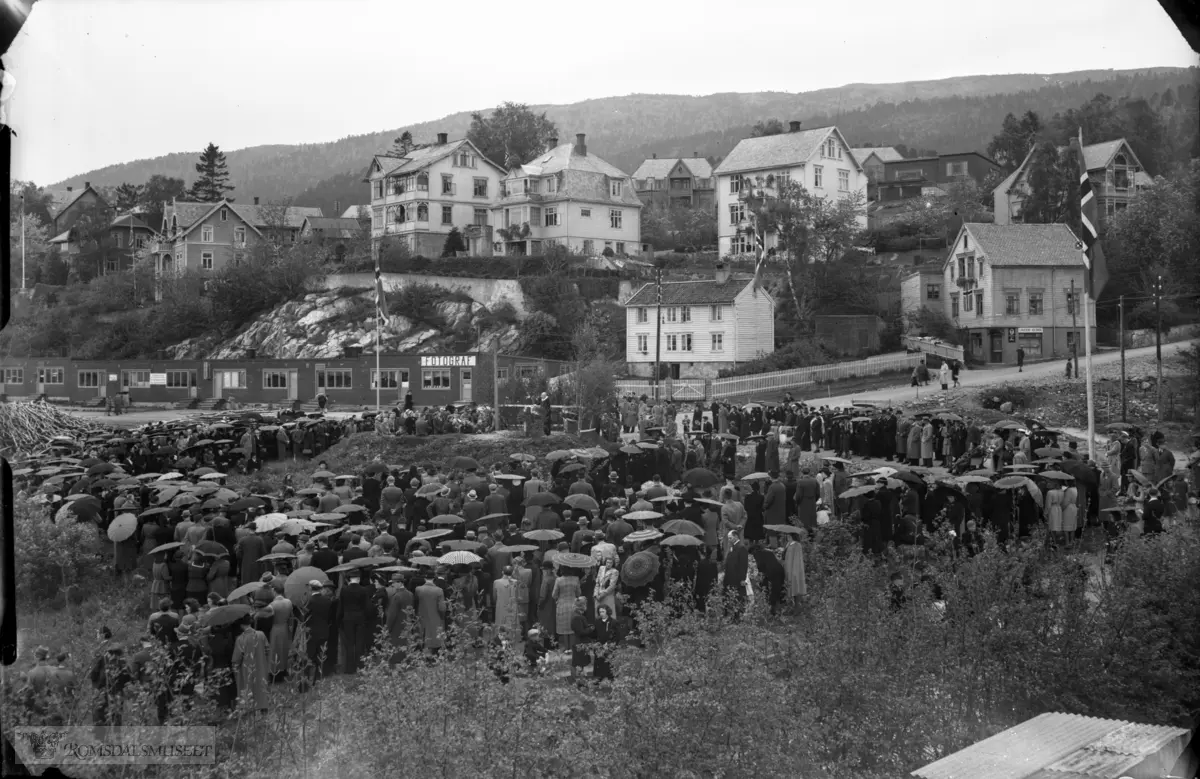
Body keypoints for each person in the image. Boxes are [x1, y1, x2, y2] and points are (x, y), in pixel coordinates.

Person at [232, 617, 270, 713]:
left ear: (241, 625)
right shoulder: (261, 634)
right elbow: (267, 649)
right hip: (261, 665)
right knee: (261, 685)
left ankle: (250, 707)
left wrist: (235, 667)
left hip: (247, 667)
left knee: (248, 686)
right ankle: (263, 706)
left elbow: (237, 657)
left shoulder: (240, 639)